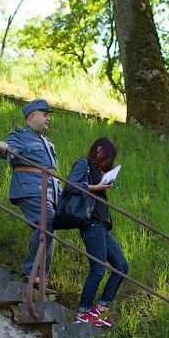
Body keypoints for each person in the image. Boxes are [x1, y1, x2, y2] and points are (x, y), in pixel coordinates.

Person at [0, 99, 60, 285]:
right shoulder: (20, 136)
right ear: (32, 116)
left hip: (51, 190)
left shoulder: (47, 142)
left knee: (50, 228)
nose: (48, 118)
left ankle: (39, 278)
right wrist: (2, 147)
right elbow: (8, 150)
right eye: (45, 114)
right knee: (47, 221)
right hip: (31, 187)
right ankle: (32, 274)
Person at [66, 137, 128, 327]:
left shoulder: (97, 171)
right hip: (91, 224)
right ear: (99, 149)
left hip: (102, 225)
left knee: (122, 266)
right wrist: (96, 186)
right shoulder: (83, 163)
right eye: (108, 157)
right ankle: (82, 313)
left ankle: (100, 310)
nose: (109, 162)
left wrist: (103, 181)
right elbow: (69, 185)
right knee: (98, 270)